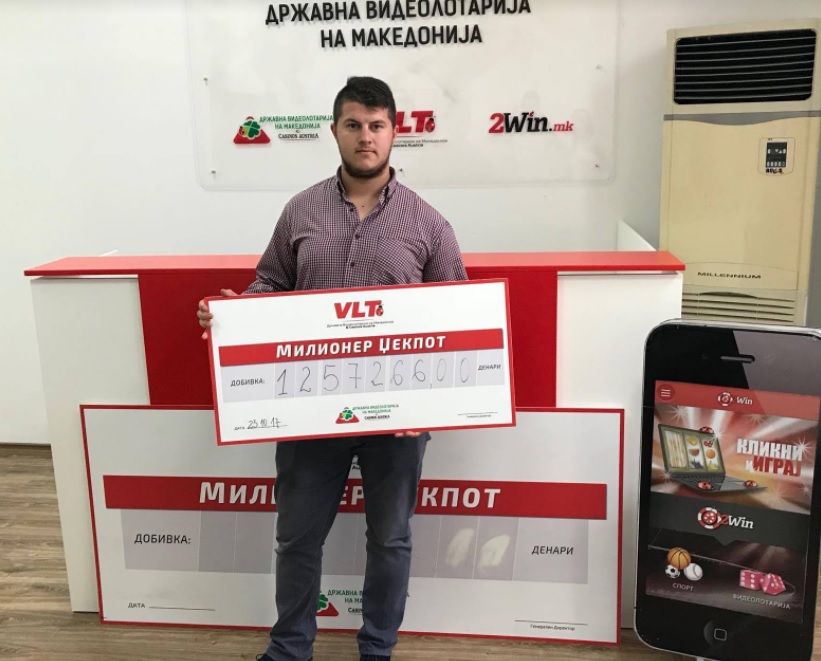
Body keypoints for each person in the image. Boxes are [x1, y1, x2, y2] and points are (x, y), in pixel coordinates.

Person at [197, 76, 467, 661]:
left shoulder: (429, 224)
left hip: (396, 417)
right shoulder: (301, 210)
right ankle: (289, 649)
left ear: (394, 133)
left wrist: (428, 407)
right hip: (309, 411)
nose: (365, 136)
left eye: (376, 126)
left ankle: (377, 650)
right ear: (335, 131)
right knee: (297, 538)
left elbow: (457, 317)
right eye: (353, 125)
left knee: (390, 540)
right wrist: (234, 313)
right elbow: (271, 283)